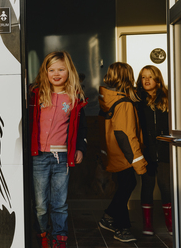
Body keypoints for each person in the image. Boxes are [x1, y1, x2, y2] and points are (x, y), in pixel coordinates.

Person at [29, 51, 87, 248]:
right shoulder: (36, 94)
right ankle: (42, 234)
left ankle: (59, 238)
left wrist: (80, 148)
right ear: (45, 72)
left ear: (68, 71)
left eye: (61, 69)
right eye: (51, 69)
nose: (56, 73)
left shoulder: (74, 98)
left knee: (59, 203)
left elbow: (81, 127)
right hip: (39, 157)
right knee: (40, 205)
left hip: (62, 156)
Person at [98, 62, 148, 242]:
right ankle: (121, 228)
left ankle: (109, 217)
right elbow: (126, 136)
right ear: (128, 77)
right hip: (124, 155)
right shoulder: (124, 103)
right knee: (127, 186)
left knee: (125, 186)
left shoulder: (107, 99)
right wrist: (138, 162)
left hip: (113, 154)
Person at [136, 65, 172, 236]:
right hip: (146, 151)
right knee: (147, 186)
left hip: (165, 151)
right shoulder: (138, 100)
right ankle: (147, 224)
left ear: (157, 79)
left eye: (150, 77)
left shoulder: (168, 98)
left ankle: (170, 223)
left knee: (165, 186)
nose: (147, 80)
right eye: (143, 77)